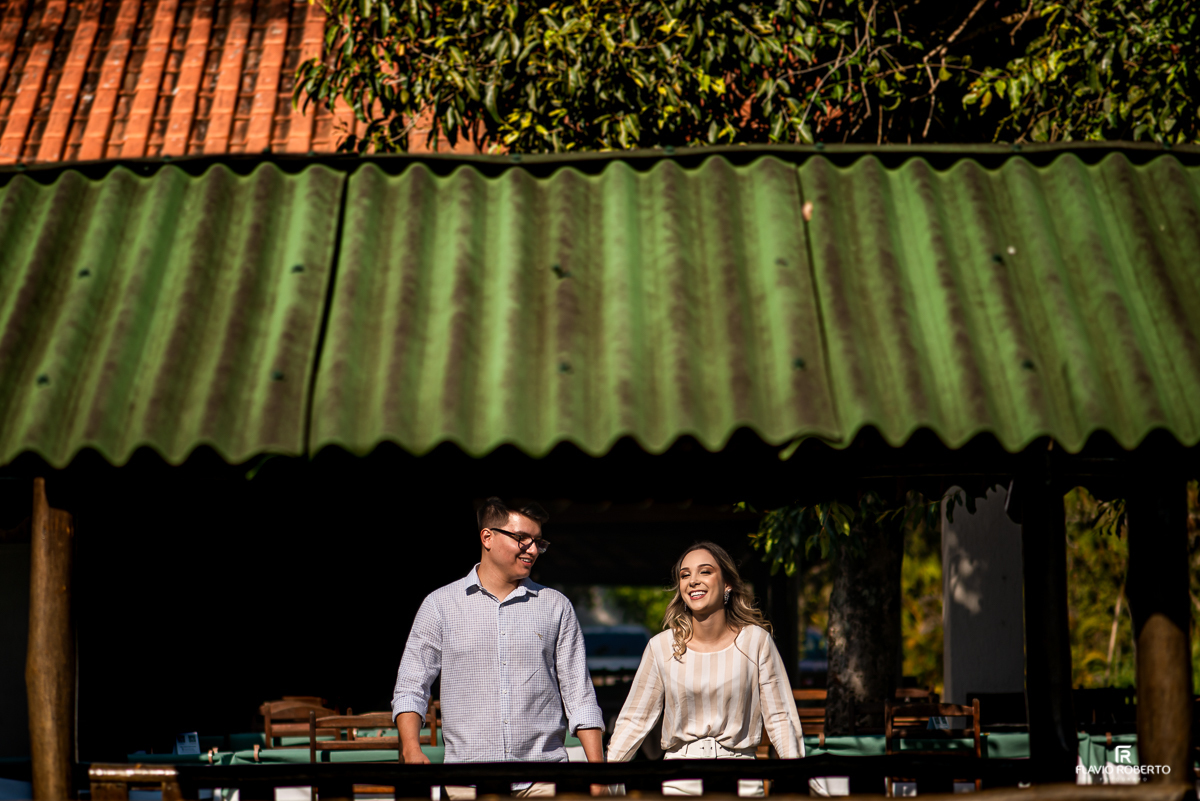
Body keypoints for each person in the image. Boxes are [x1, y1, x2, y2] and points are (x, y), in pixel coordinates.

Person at [391, 497, 606, 798]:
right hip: (467, 781)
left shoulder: (556, 607)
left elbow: (579, 695)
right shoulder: (440, 606)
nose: (532, 549)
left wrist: (598, 773)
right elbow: (411, 687)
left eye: (538, 542)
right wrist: (411, 750)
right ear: (487, 537)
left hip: (545, 780)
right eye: (522, 539)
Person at [605, 542, 804, 796]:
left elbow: (781, 719)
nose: (693, 581)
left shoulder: (756, 641)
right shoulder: (662, 646)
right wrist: (604, 777)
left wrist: (796, 778)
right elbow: (634, 721)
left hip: (741, 779)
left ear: (727, 584)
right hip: (680, 780)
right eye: (685, 575)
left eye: (705, 571)